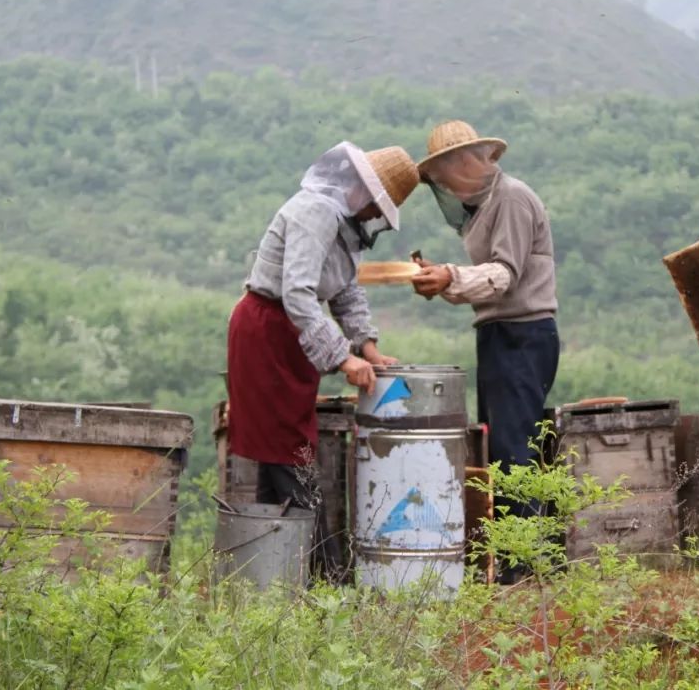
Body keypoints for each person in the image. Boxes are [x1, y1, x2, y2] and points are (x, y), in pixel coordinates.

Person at [228, 141, 419, 582]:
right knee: (288, 451)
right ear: (363, 191)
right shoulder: (315, 211)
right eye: (376, 207)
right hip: (268, 330)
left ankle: (277, 574)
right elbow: (297, 292)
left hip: (289, 333)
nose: (373, 216)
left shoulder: (343, 222)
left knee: (281, 452)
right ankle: (326, 575)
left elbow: (345, 289)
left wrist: (367, 346)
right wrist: (342, 359)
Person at [410, 120, 559, 582]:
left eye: (446, 171)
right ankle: (512, 561)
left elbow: (503, 275)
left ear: (467, 162)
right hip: (499, 334)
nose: (445, 183)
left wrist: (450, 277)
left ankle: (522, 567)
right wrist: (442, 276)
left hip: (523, 334)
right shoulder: (485, 206)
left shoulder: (511, 198)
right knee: (501, 447)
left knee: (515, 449)